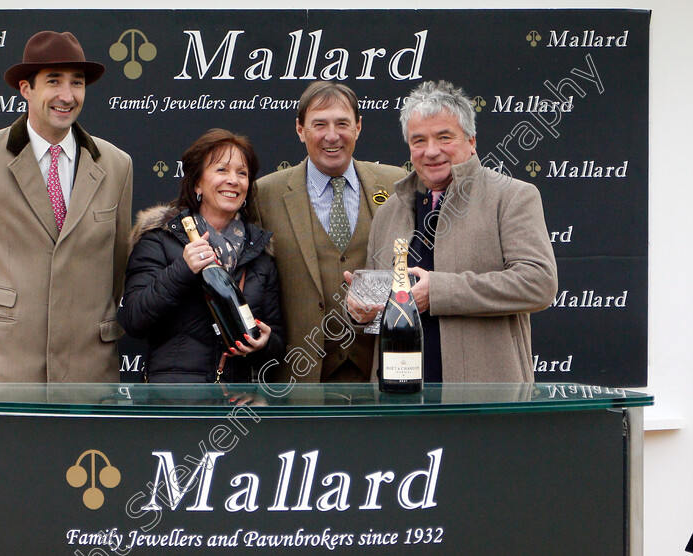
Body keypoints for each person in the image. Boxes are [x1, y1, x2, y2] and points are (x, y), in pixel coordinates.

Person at [0, 31, 133, 382]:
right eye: (54, 81)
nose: (67, 96)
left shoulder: (117, 164)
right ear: (26, 89)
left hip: (86, 374)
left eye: (77, 83)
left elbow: (116, 272)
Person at [350, 80, 558, 383]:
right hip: (398, 400)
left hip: (484, 402)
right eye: (419, 140)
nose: (431, 151)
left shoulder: (512, 196)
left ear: (471, 140)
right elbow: (380, 307)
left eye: (444, 137)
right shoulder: (388, 212)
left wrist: (437, 292)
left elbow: (539, 283)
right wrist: (361, 311)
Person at [252, 82, 406, 384]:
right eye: (319, 124)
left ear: (358, 127)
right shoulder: (265, 194)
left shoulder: (395, 184)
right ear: (300, 130)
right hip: (299, 377)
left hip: (380, 371)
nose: (332, 136)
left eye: (342, 124)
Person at [118, 129, 284, 383]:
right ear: (197, 182)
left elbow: (277, 341)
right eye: (222, 170)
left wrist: (265, 343)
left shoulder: (260, 251)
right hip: (175, 404)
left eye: (242, 173)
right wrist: (182, 269)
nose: (233, 180)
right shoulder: (159, 238)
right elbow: (134, 320)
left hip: (236, 407)